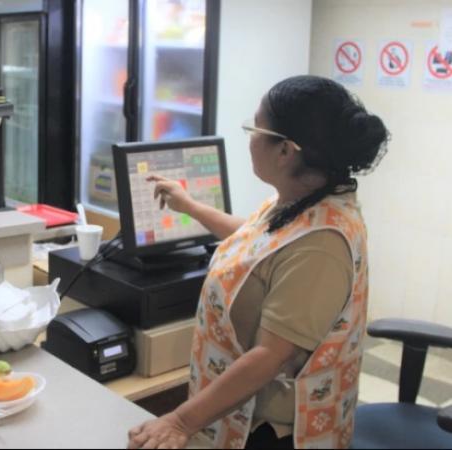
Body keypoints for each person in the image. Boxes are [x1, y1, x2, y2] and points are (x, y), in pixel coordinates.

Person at [128, 75, 389, 449]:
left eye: (254, 128)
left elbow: (270, 357)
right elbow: (260, 243)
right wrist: (191, 207)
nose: (249, 139)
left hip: (277, 432)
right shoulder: (300, 200)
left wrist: (180, 420)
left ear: (285, 151)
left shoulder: (322, 247)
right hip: (242, 410)